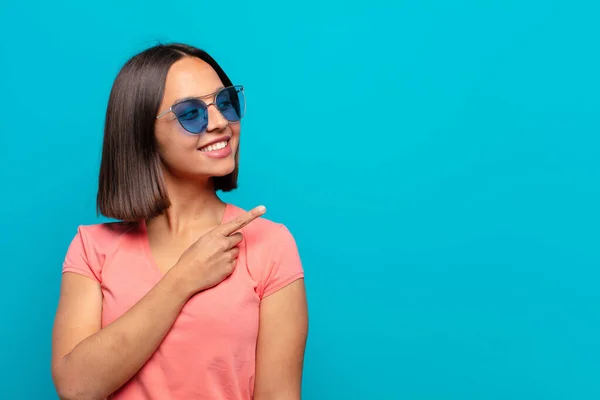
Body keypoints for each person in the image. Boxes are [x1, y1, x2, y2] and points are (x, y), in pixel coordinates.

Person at [51, 43, 308, 400]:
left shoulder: (269, 245)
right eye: (191, 113)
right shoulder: (92, 250)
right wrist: (184, 278)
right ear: (143, 134)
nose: (219, 123)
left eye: (225, 103)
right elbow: (76, 387)